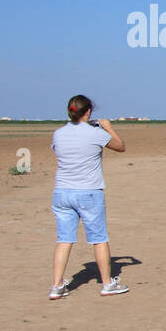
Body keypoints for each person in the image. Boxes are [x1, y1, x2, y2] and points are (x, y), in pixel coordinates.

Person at [49, 95, 130, 299]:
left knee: (64, 240)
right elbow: (120, 146)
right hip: (88, 192)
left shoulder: (58, 134)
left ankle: (57, 286)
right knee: (99, 239)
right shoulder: (95, 133)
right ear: (88, 112)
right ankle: (107, 284)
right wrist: (108, 128)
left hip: (62, 192)